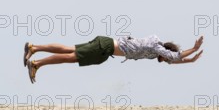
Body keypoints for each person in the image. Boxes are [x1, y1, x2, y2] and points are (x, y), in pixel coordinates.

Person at [23, 34, 204, 83]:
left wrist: (192, 60)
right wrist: (194, 49)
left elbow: (174, 60)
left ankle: (35, 48)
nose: (165, 60)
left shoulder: (155, 49)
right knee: (70, 57)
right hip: (106, 47)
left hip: (106, 46)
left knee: (69, 51)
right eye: (166, 57)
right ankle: (37, 63)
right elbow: (175, 56)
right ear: (166, 51)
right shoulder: (156, 47)